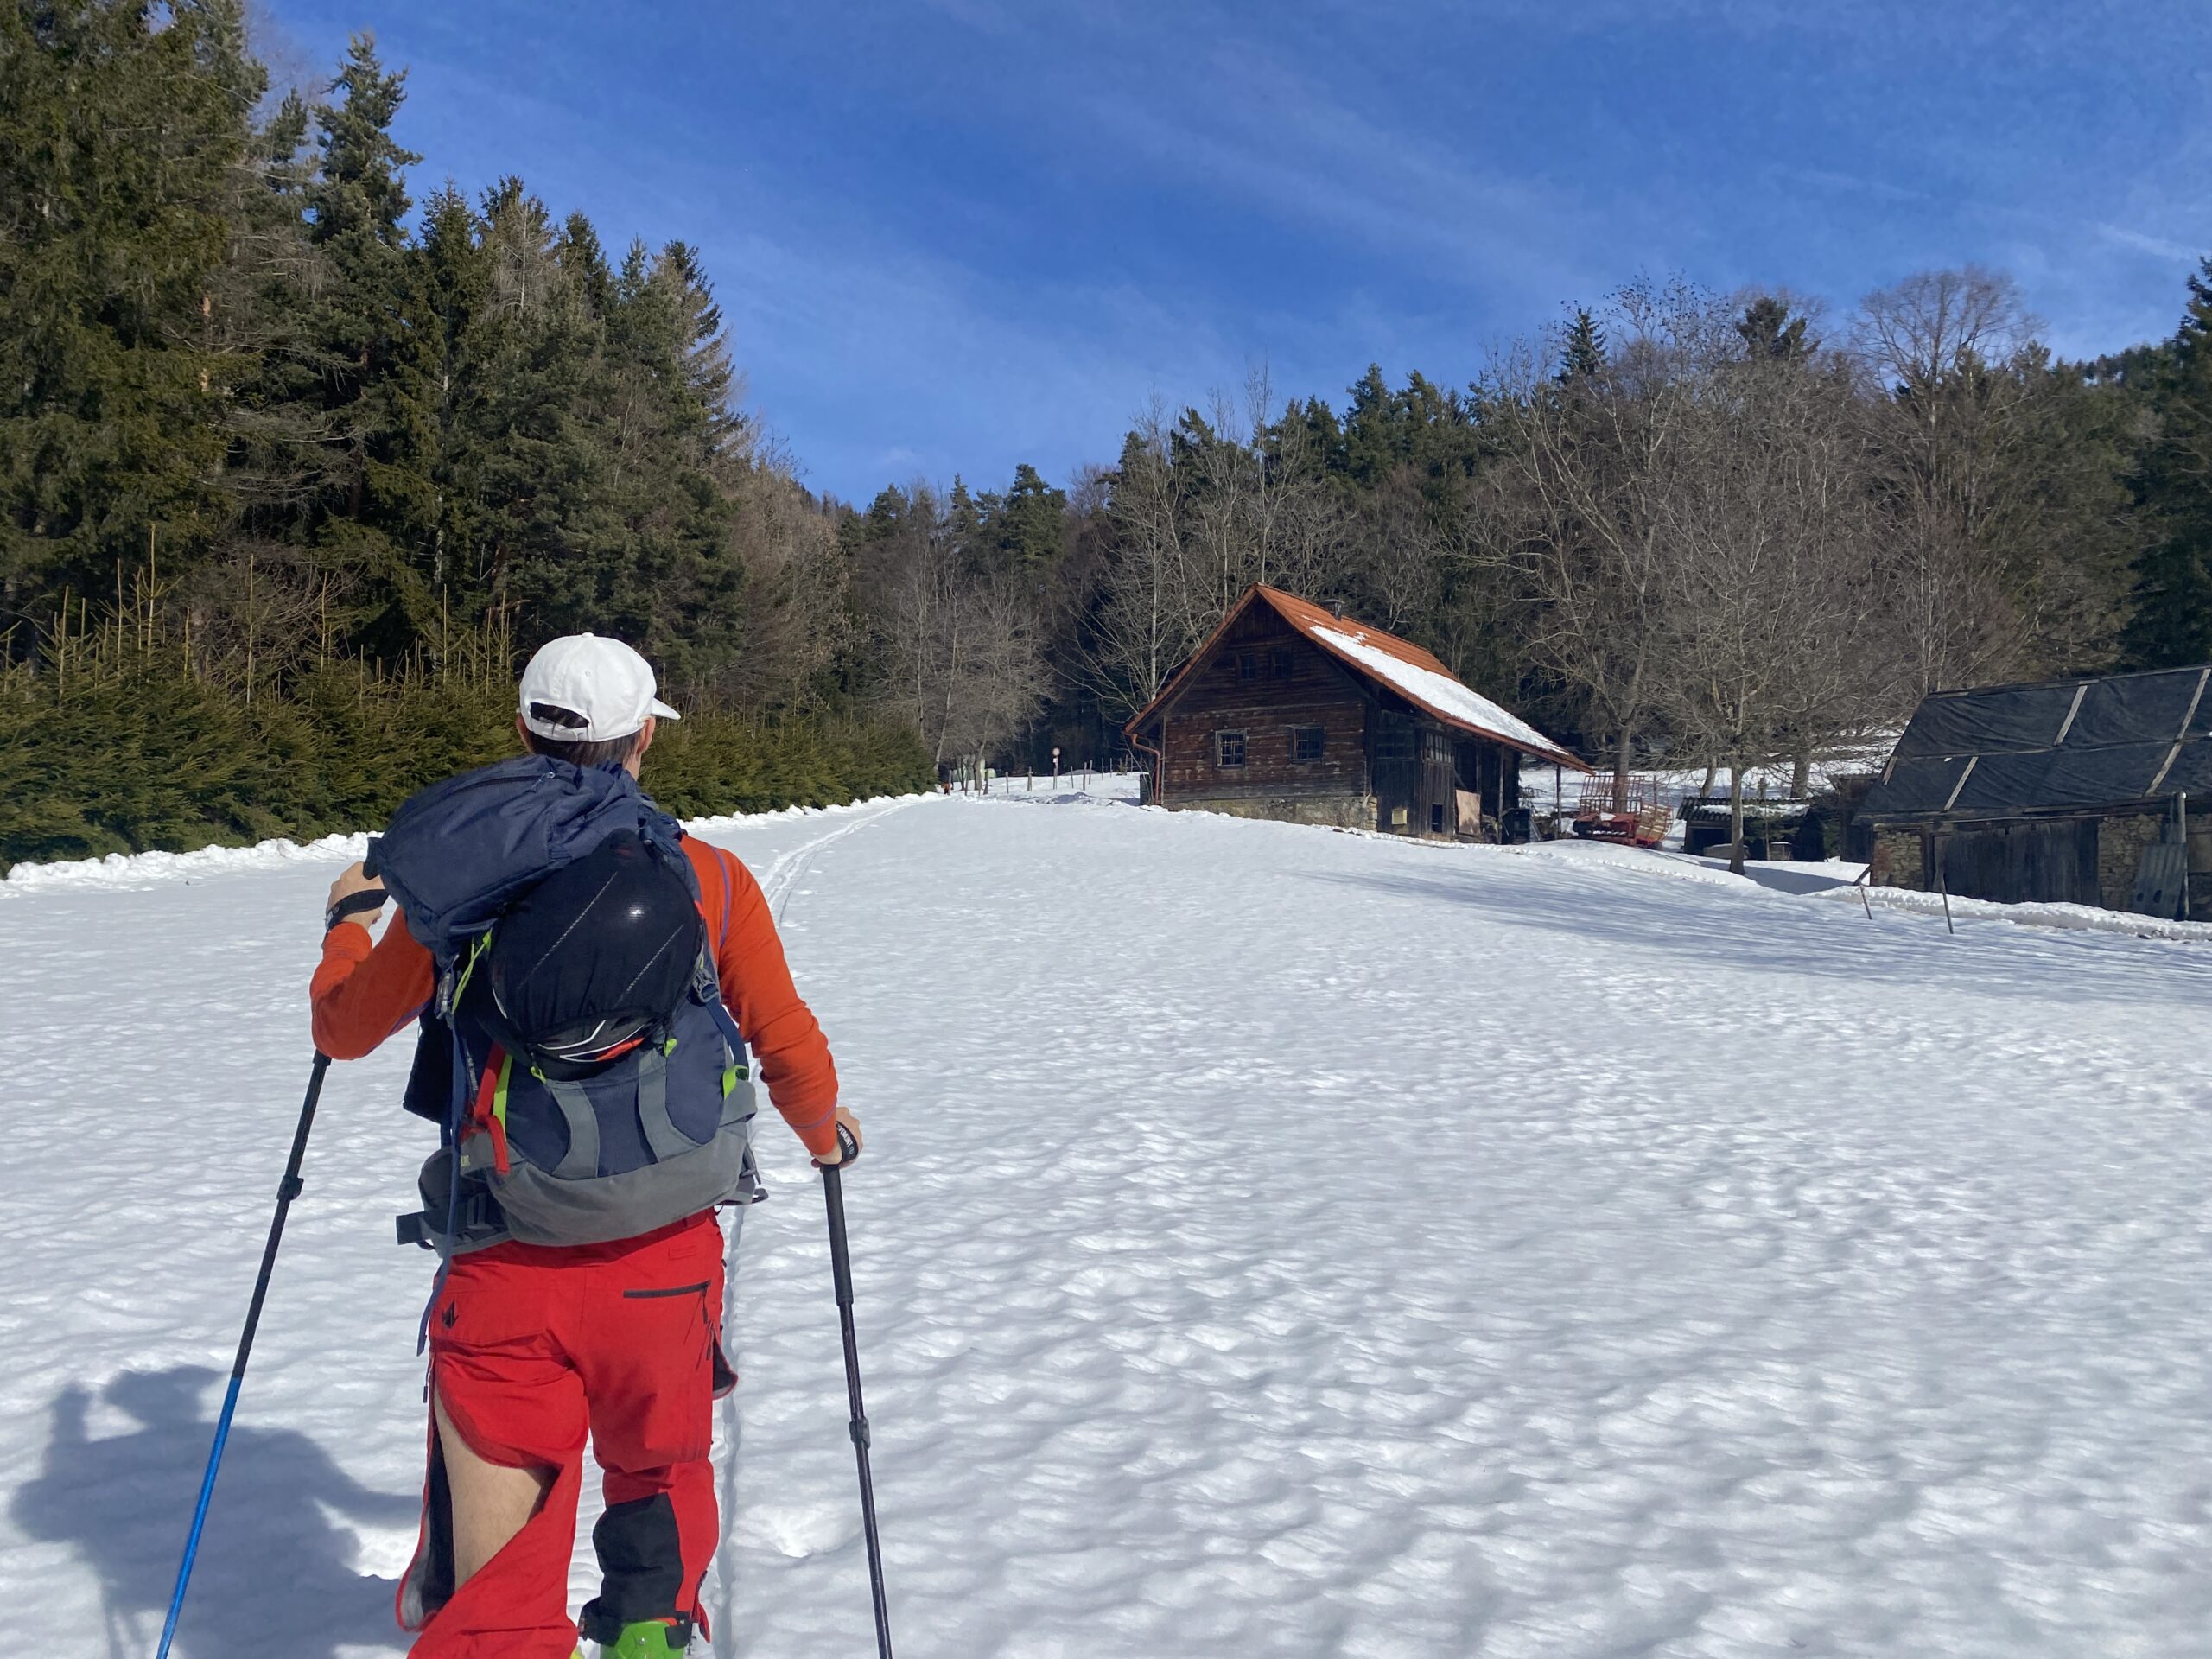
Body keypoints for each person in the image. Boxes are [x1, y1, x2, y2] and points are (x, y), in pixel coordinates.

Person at [309, 632, 861, 1659]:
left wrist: (348, 925)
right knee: (658, 1469)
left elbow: (343, 1029)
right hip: (666, 1264)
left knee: (498, 1596)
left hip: (506, 1260)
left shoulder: (461, 889)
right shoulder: (710, 878)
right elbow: (782, 1034)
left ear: (522, 732)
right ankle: (650, 1635)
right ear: (644, 736)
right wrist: (823, 1134)